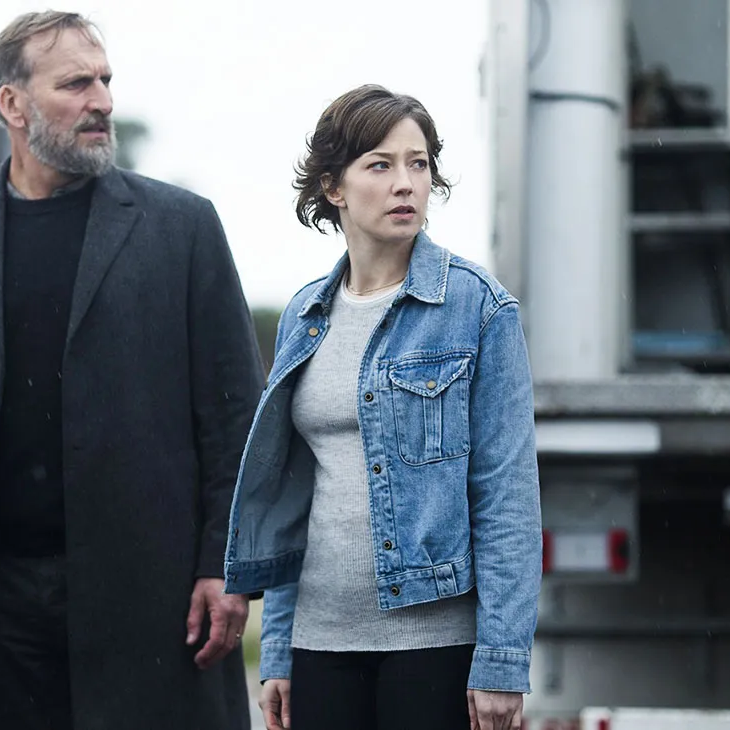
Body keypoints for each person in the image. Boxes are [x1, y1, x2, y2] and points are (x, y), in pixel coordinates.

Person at [0, 11, 264, 730]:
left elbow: (235, 416)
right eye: (77, 84)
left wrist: (226, 564)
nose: (102, 101)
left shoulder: (182, 229)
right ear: (13, 105)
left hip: (147, 601)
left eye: (106, 81)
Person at [223, 84, 543, 730]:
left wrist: (501, 660)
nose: (406, 183)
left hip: (433, 647)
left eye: (418, 164)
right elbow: (292, 496)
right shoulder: (304, 315)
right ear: (333, 187)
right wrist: (278, 646)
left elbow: (507, 497)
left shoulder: (478, 308)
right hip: (320, 642)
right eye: (380, 164)